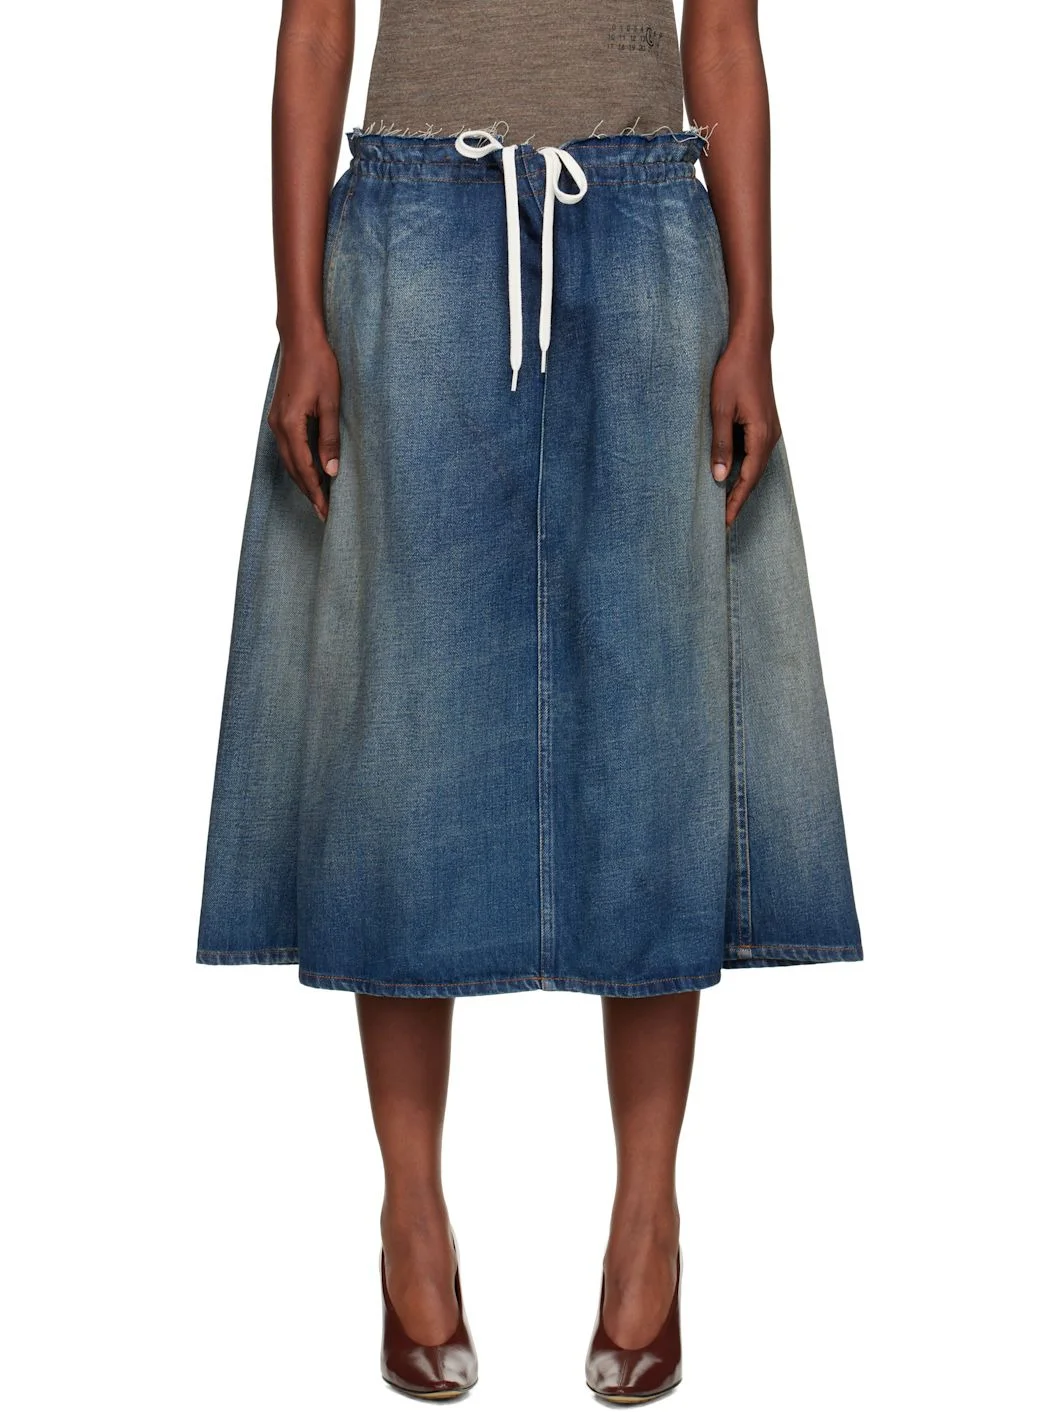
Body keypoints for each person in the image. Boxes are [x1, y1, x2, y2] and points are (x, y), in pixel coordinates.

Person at [196, 0, 863, 1400]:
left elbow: (723, 37)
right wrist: (299, 320)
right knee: (401, 734)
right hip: (411, 233)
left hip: (645, 228)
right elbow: (314, 31)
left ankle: (647, 1222)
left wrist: (753, 325)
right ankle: (412, 1218)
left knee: (657, 726)